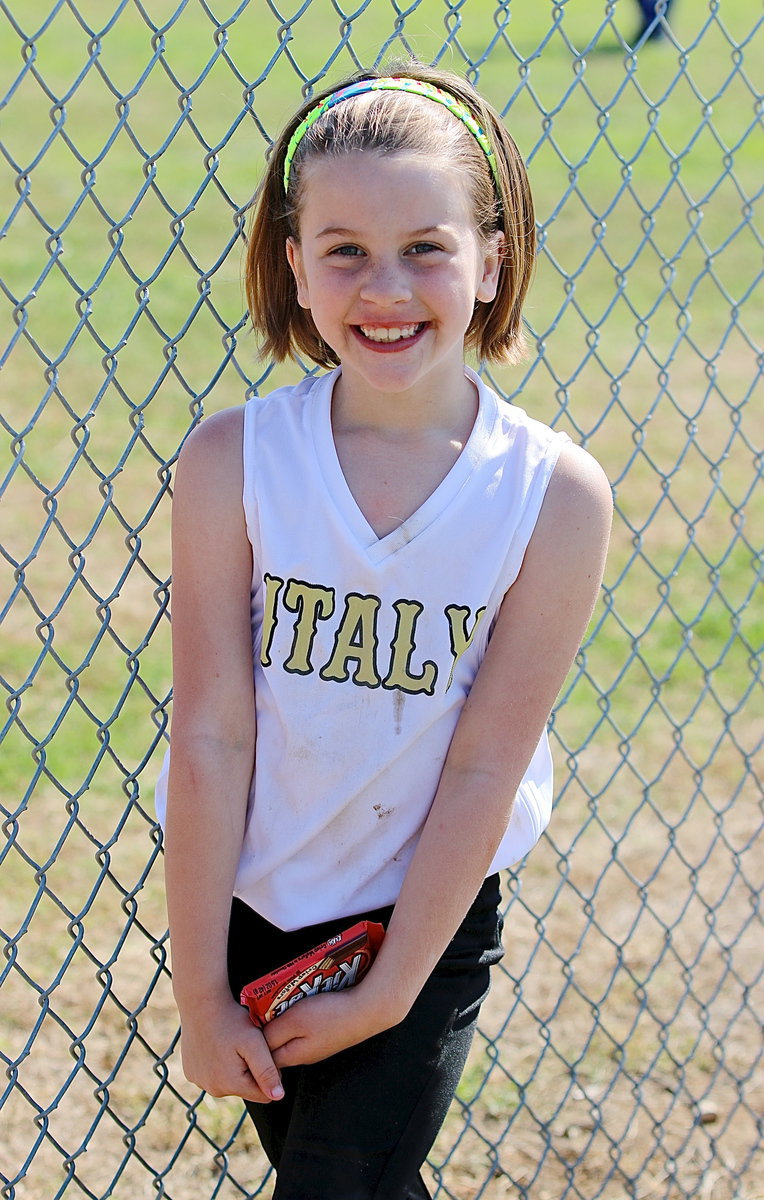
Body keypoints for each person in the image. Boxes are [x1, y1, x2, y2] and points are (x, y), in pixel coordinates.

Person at [156, 61, 612, 1199]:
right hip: (262, 908)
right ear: (294, 266)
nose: (385, 286)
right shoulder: (234, 462)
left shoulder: (549, 494)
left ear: (490, 261)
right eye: (344, 249)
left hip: (419, 920)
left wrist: (394, 988)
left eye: (426, 247)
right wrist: (201, 990)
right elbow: (210, 735)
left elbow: (483, 765)